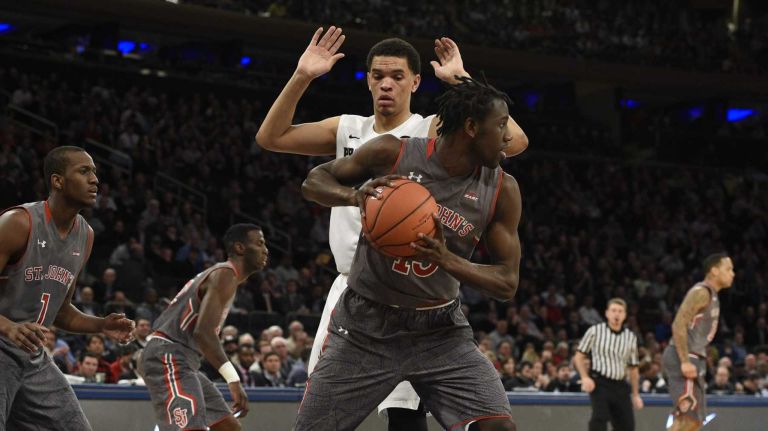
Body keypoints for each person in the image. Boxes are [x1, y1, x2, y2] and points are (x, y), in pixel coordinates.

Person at [256, 25, 528, 430]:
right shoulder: (354, 131)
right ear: (366, 81)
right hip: (358, 292)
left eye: (397, 76)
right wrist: (303, 75)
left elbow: (511, 136)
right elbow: (272, 138)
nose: (386, 84)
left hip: (431, 308)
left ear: (416, 82)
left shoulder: (432, 129)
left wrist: (462, 80)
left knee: (406, 419)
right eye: (378, 76)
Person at [0, 146, 135, 430]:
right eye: (84, 171)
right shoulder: (18, 223)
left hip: (31, 356)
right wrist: (9, 327)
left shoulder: (85, 235)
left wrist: (100, 325)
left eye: (95, 172)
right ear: (57, 181)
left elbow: (61, 312)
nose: (95, 179)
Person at [139, 224, 268, 431]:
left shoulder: (223, 276)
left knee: (229, 427)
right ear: (240, 248)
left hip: (184, 360)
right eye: (260, 243)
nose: (266, 249)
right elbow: (203, 333)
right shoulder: (226, 273)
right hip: (169, 355)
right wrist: (233, 380)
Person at [663, 253, 734, 431]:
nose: (733, 273)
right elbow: (679, 323)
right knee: (686, 419)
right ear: (714, 270)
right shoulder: (701, 292)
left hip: (693, 357)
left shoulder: (713, 295)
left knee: (694, 421)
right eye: (728, 269)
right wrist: (685, 360)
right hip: (684, 357)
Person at [573, 298, 643, 431]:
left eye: (620, 311)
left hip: (621, 385)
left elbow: (633, 368)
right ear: (607, 313)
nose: (617, 314)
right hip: (600, 383)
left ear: (625, 315)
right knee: (599, 418)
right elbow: (578, 356)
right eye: (614, 311)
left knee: (627, 425)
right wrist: (585, 377)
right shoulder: (595, 331)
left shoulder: (630, 337)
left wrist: (635, 394)